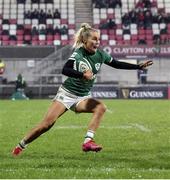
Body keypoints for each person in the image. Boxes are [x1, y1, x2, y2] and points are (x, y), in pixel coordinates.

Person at [12, 23, 153, 156]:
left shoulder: (101, 54)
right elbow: (65, 69)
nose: (97, 42)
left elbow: (116, 64)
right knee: (46, 125)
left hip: (82, 97)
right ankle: (21, 145)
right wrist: (82, 74)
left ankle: (88, 142)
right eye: (94, 39)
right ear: (85, 41)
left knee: (101, 107)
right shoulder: (78, 54)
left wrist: (138, 67)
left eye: (99, 39)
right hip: (66, 94)